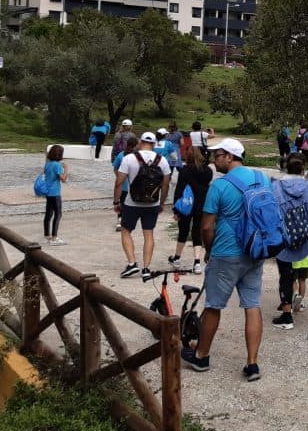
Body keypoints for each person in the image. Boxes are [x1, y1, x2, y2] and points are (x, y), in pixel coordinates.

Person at [181, 138, 268, 382]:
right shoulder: (262, 179)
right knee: (252, 305)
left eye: (217, 155)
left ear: (229, 157)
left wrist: (209, 251)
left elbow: (207, 227)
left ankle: (201, 356)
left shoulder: (220, 187)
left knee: (213, 306)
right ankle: (252, 364)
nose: (213, 160)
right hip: (255, 251)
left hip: (226, 252)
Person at [271, 153, 308, 330]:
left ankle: (286, 313)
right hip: (303, 239)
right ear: (303, 168)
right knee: (301, 274)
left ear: (285, 167)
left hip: (283, 240)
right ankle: (297, 300)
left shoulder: (275, 187)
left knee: (285, 276)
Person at [113, 131, 172, 279]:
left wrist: (116, 201)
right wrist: (162, 202)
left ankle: (132, 263)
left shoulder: (129, 158)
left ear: (140, 142)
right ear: (154, 144)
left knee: (126, 231)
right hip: (152, 203)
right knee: (149, 234)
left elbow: (119, 183)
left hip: (131, 202)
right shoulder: (162, 160)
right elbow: (166, 185)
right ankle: (146, 268)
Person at [169, 146, 212, 274]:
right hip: (202, 204)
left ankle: (177, 258)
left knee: (183, 230)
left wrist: (176, 209)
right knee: (197, 232)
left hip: (186, 204)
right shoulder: (208, 171)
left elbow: (179, 190)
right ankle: (197, 262)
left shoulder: (184, 170)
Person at [41, 145, 68, 245]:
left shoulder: (48, 164)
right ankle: (54, 237)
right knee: (58, 214)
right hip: (55, 193)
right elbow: (63, 179)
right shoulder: (57, 165)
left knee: (48, 214)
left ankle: (47, 235)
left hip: (48, 192)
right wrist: (66, 169)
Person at [111, 136, 138, 232]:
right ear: (135, 146)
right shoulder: (137, 156)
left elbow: (115, 168)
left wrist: (119, 177)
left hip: (123, 184)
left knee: (122, 203)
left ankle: (120, 221)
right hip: (132, 185)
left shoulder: (121, 155)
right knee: (127, 203)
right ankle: (124, 221)